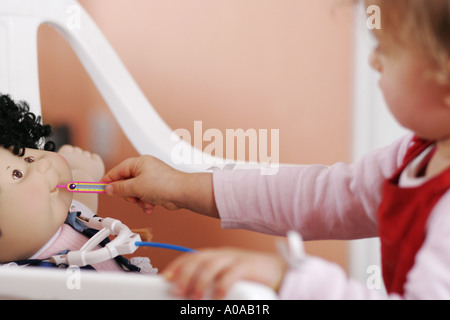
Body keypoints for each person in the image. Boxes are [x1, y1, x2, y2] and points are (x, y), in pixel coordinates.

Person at [102, 0, 450, 299]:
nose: (374, 61)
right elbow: (321, 197)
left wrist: (292, 280)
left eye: (385, 48)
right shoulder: (416, 154)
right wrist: (179, 185)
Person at [0, 94, 155, 273]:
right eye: (17, 174)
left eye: (28, 157)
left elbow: (82, 202)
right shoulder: (20, 283)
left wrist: (83, 172)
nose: (43, 164)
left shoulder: (68, 214)